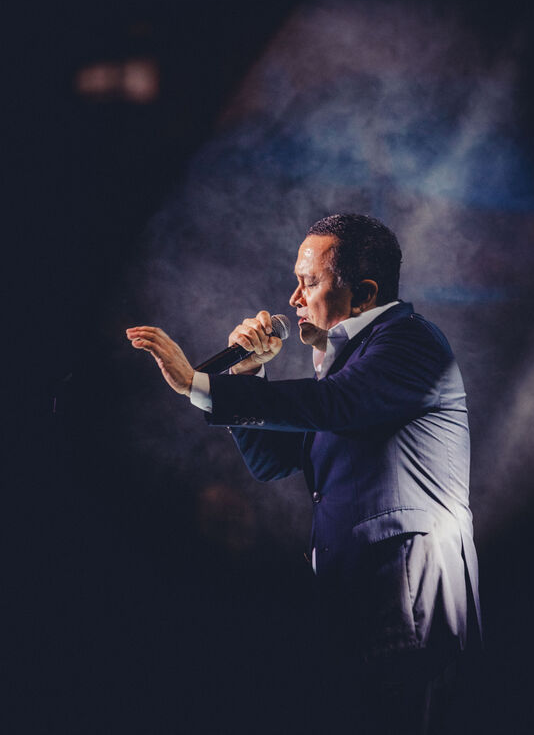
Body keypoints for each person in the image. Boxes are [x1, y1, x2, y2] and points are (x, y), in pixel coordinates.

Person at [127, 214, 481, 734]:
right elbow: (271, 462)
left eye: (310, 283)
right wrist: (248, 371)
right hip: (357, 594)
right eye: (296, 282)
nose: (293, 299)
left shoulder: (409, 342)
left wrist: (200, 384)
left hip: (408, 591)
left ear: (364, 294)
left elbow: (334, 404)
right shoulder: (348, 373)